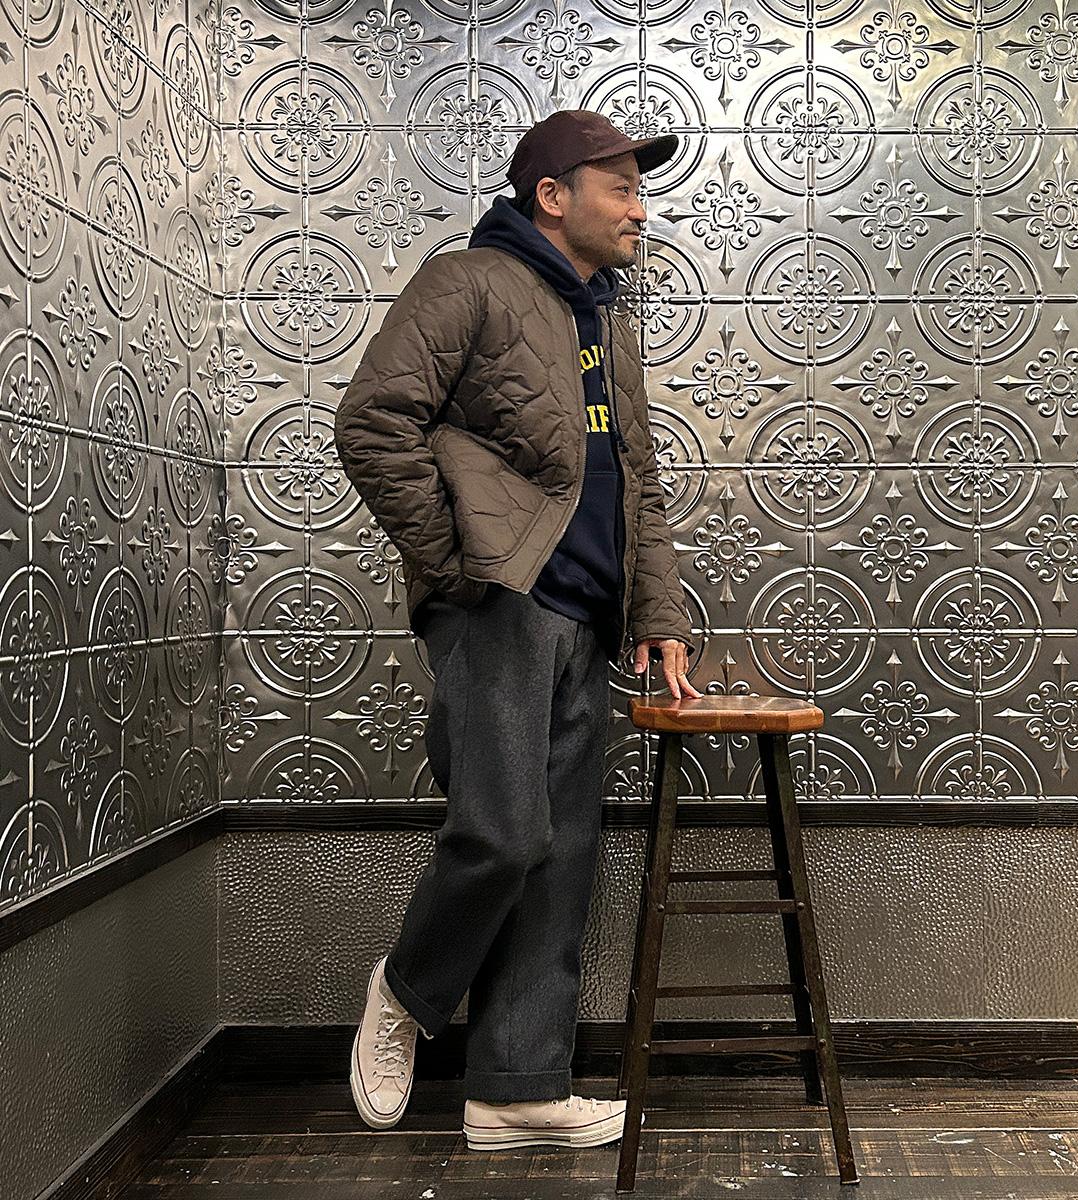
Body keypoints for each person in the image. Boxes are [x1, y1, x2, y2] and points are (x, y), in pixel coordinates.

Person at [333, 108, 702, 1152]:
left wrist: (657, 611)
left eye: (640, 190)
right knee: (504, 835)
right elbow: (372, 422)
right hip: (503, 607)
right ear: (552, 195)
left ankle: (518, 1086)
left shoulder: (606, 319)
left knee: (561, 859)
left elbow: (636, 479)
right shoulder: (466, 285)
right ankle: (406, 992)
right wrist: (458, 565)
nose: (639, 209)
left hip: (589, 616)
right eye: (621, 187)